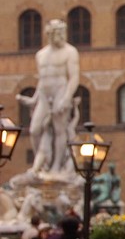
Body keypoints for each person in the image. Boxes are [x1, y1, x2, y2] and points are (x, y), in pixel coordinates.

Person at [16, 19, 80, 177]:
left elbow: (74, 77)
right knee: (34, 130)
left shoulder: (70, 52)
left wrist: (66, 98)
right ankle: (43, 163)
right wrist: (34, 99)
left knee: (59, 130)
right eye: (57, 33)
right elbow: (41, 80)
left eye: (62, 33)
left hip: (60, 91)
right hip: (44, 95)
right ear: (49, 34)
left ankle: (57, 167)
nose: (60, 36)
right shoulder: (41, 54)